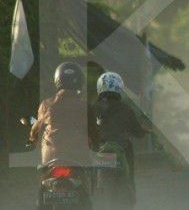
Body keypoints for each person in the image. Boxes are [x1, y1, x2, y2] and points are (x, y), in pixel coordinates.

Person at [92, 71, 147, 201]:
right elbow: (138, 132)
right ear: (119, 88)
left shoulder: (93, 108)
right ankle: (131, 192)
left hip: (100, 150)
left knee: (92, 178)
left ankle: (94, 193)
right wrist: (143, 131)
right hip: (122, 150)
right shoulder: (126, 108)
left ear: (100, 87)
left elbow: (85, 129)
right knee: (129, 176)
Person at [29, 62, 96, 166]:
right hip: (79, 157)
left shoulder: (46, 104)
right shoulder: (85, 105)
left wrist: (32, 139)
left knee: (43, 176)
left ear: (57, 79)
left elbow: (36, 130)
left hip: (51, 157)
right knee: (91, 173)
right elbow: (93, 131)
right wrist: (97, 144)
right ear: (80, 80)